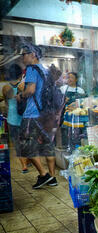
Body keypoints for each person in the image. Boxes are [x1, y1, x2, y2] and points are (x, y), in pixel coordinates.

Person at [16, 43, 57, 189]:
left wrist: (21, 93)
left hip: (32, 114)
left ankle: (43, 175)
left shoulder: (31, 69)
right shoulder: (45, 70)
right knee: (47, 146)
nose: (22, 57)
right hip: (46, 114)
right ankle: (52, 177)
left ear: (33, 54)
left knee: (25, 146)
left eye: (24, 54)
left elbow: (31, 90)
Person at [2, 63, 30, 173]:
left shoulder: (6, 88)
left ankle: (24, 165)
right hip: (24, 118)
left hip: (12, 119)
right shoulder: (24, 86)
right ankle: (28, 159)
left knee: (17, 142)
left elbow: (6, 102)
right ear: (20, 74)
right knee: (26, 141)